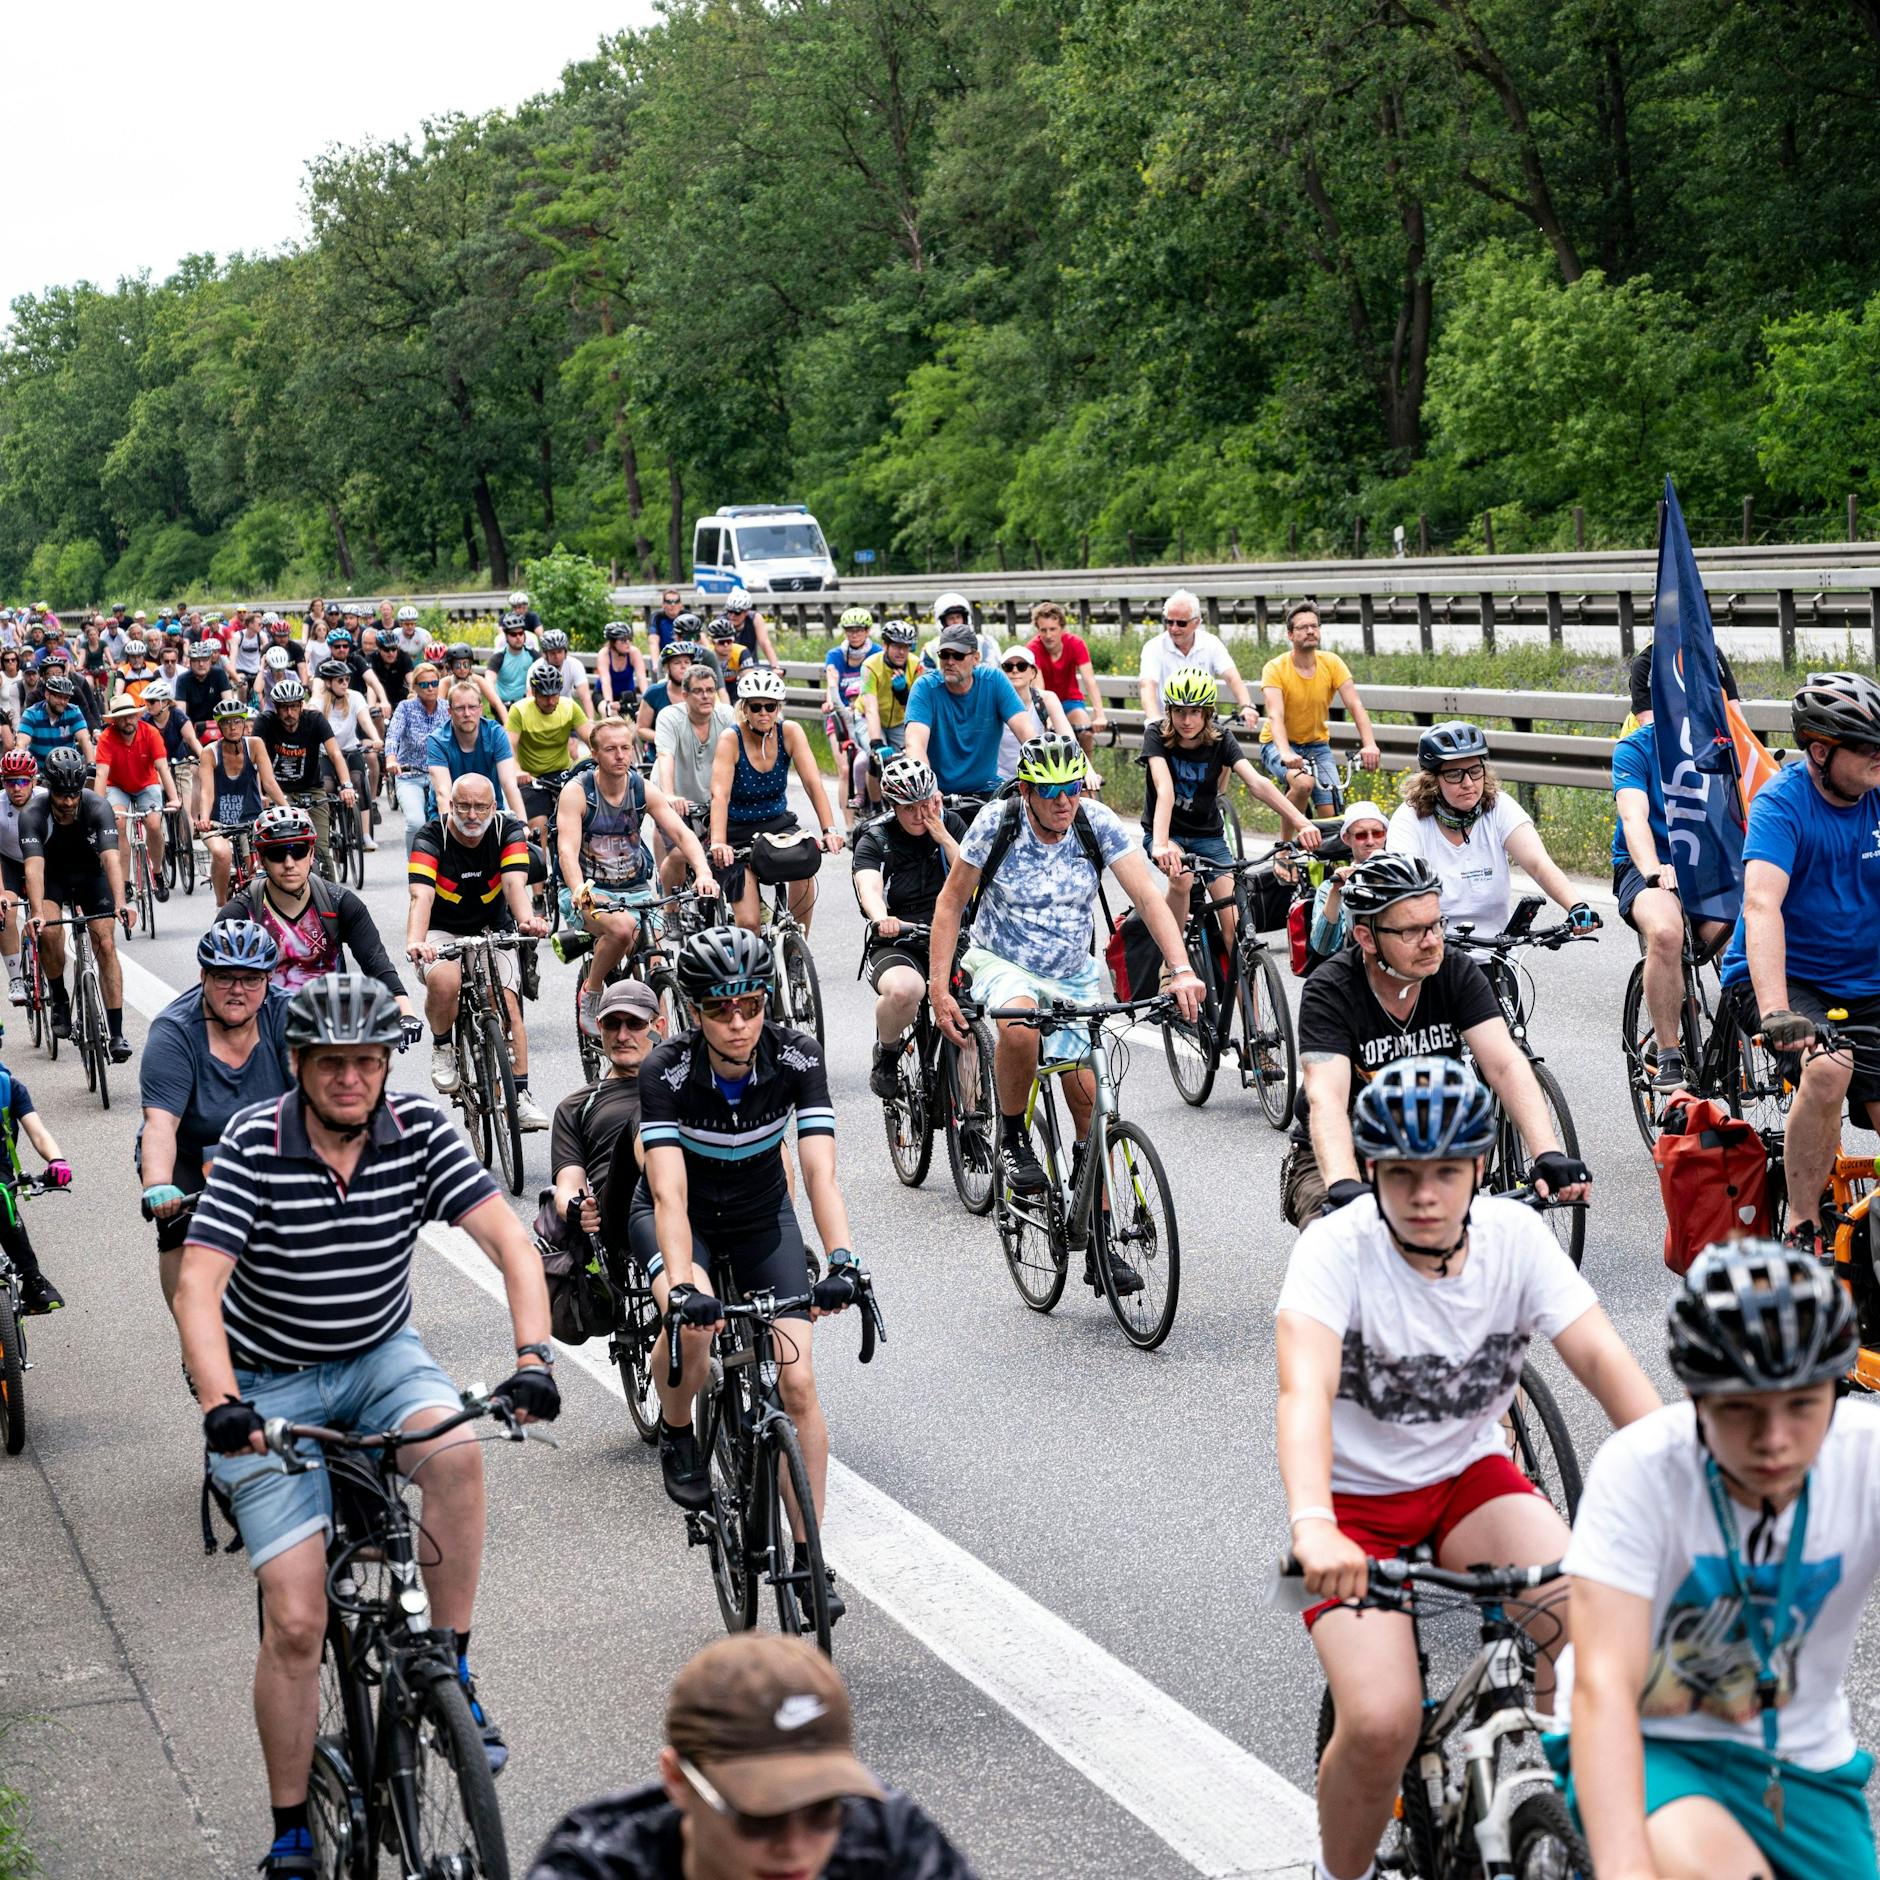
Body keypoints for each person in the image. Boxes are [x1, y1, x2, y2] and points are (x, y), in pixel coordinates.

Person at [174, 974, 559, 1873]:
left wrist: (533, 1359)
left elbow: (508, 1238)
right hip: (269, 1379)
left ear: (388, 1064)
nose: (353, 1079)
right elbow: (199, 1286)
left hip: (380, 1356)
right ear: (299, 1065)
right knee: (300, 1620)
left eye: (369, 1062)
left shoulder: (419, 1130)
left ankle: (449, 1668)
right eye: (333, 1063)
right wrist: (221, 1405)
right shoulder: (253, 1143)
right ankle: (292, 1830)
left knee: (459, 1452)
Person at [1277, 1055, 1659, 1880]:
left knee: (1592, 1637)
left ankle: (1550, 1814)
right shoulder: (1335, 1251)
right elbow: (1301, 1394)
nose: (1424, 1195)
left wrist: (1691, 1484)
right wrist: (1310, 1525)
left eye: (1446, 1173)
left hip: (1467, 1483)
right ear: (1371, 1170)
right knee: (1382, 1721)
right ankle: (1337, 1872)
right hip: (1351, 1511)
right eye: (1403, 1174)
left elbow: (1601, 1361)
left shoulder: (1514, 1238)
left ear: (1480, 1168)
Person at [1560, 1243, 1880, 1880]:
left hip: (1798, 1758)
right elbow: (1604, 1688)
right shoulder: (1640, 1468)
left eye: (1802, 1405)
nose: (1774, 1441)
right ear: (1695, 1395)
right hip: (1651, 1741)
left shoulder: (1866, 1456)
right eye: (1740, 1410)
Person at [630, 928, 862, 1627]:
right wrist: (681, 1286)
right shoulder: (665, 1073)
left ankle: (810, 1555)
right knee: (694, 1334)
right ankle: (677, 1427)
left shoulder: (797, 1056)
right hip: (685, 1220)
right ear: (692, 1011)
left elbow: (819, 1171)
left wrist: (844, 1258)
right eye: (719, 1011)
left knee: (797, 1382)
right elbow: (668, 1193)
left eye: (751, 1007)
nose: (738, 1024)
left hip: (763, 1216)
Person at [926, 735, 1205, 1280]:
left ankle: (1099, 1244)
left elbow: (1148, 898)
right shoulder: (996, 822)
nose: (1063, 800)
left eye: (1072, 787)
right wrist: (940, 988)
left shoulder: (1094, 822)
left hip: (1073, 974)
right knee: (1021, 1025)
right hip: (1002, 960)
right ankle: (1012, 1137)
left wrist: (1182, 967)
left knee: (1090, 1112)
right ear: (1028, 790)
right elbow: (951, 902)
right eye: (1051, 790)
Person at [1280, 852, 1591, 1226]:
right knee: (1337, 1241)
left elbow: (1506, 1066)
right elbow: (1325, 1097)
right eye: (1411, 931)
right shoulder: (1330, 989)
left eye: (1436, 924)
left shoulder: (1454, 970)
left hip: (1433, 1149)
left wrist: (1547, 1154)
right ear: (1366, 937)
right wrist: (1345, 1184)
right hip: (1343, 1149)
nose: (1431, 942)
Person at [525, 1633, 978, 1880]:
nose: (793, 1847)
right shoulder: (595, 1866)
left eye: (824, 1809)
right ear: (678, 1781)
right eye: (758, 1818)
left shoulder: (887, 1839)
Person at [1721, 672, 1880, 1254]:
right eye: (1867, 747)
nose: (1878, 757)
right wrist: (1777, 1010)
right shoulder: (1783, 803)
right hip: (1784, 979)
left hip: (1867, 979)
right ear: (1820, 750)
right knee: (1830, 1064)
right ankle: (1804, 1225)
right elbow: (1762, 904)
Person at [140, 921, 293, 1306]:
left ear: (269, 979)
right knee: (178, 1231)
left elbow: (319, 1099)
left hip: (269, 1145)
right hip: (191, 1151)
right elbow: (160, 1124)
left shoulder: (288, 1015)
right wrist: (158, 1185)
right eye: (224, 977)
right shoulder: (173, 1031)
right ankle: (193, 1345)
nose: (238, 990)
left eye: (251, 979)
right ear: (203, 975)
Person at [407, 774, 551, 1127]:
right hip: (442, 929)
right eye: (464, 806)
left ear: (493, 807)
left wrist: (527, 920)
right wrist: (416, 940)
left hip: (493, 927)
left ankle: (519, 1097)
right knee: (445, 981)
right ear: (451, 806)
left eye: (481, 806)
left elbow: (514, 883)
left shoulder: (508, 830)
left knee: (505, 999)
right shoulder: (430, 836)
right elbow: (421, 895)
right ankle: (443, 1047)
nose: (472, 814)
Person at [557, 717, 716, 1035]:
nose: (620, 755)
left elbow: (682, 835)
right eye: (610, 749)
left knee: (656, 963)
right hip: (589, 890)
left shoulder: (640, 788)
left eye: (625, 748)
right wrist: (580, 890)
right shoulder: (578, 793)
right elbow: (566, 851)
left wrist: (703, 872)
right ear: (595, 753)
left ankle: (664, 1045)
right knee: (622, 929)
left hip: (637, 889)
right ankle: (592, 990)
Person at [1141, 665, 1319, 947]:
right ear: (1169, 712)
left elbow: (1257, 783)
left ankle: (1248, 991)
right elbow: (1165, 790)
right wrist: (1161, 845)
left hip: (1208, 836)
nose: (1187, 720)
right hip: (1167, 834)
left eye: (1195, 712)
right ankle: (1172, 963)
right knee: (1181, 879)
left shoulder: (1221, 737)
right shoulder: (1156, 735)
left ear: (1208, 713)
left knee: (1235, 927)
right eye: (1179, 712)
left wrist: (1302, 822)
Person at [1612, 710, 1735, 1095]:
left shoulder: (1717, 744)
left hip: (1707, 867)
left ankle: (1750, 1036)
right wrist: (1653, 870)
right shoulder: (1635, 748)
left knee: (1739, 935)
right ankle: (1668, 1051)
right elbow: (1633, 817)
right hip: (1647, 865)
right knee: (1666, 931)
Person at [1386, 722, 1596, 937]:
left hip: (1497, 951)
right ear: (1432, 781)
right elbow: (1403, 888)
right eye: (1454, 774)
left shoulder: (1499, 806)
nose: (1468, 783)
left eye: (1475, 771)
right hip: (1436, 949)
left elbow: (1539, 864)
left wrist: (1576, 906)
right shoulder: (1409, 818)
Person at [217, 804, 420, 1027]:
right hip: (264, 1031)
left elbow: (376, 964)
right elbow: (216, 985)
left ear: (312, 852)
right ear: (262, 859)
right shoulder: (239, 914)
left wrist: (405, 1013)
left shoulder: (341, 903)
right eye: (276, 853)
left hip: (332, 1030)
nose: (289, 863)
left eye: (298, 851)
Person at [851, 754, 966, 1099]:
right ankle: (887, 1052)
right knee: (905, 991)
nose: (920, 815)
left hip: (952, 934)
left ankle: (975, 1120)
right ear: (893, 806)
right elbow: (868, 886)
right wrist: (881, 918)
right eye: (908, 808)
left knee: (970, 1018)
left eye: (925, 804)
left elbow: (975, 877)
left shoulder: (951, 825)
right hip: (899, 938)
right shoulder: (876, 838)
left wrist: (944, 836)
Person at [708, 665, 845, 936]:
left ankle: (796, 949)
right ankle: (757, 968)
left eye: (770, 707)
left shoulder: (790, 732)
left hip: (778, 824)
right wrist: (718, 841)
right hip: (737, 831)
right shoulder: (731, 739)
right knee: (748, 923)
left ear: (778, 708)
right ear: (744, 708)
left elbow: (812, 783)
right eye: (756, 707)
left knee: (805, 871)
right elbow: (719, 795)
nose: (763, 713)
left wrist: (829, 830)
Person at [20, 745, 135, 1061]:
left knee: (107, 943)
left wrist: (122, 901)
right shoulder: (33, 813)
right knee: (51, 933)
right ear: (49, 787)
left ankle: (117, 1032)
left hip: (89, 875)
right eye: (61, 794)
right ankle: (59, 996)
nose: (69, 801)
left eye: (74, 794)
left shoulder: (97, 806)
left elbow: (111, 858)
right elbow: (33, 867)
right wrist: (38, 914)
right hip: (52, 877)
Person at [550, 978, 663, 1242]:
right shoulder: (576, 1106)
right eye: (612, 1024)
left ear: (657, 1028)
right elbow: (568, 1186)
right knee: (644, 1115)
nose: (622, 1036)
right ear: (600, 1028)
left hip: (697, 1191)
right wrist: (577, 1208)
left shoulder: (683, 1083)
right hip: (625, 1210)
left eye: (635, 1024)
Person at [1258, 603, 1381, 812]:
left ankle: (1320, 846)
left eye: (1314, 626)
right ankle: (1285, 844)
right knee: (1303, 784)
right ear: (1290, 634)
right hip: (1278, 744)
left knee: (1331, 810)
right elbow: (1275, 716)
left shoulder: (1332, 663)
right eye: (1303, 627)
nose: (1310, 631)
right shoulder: (1275, 668)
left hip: (1316, 746)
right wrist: (1286, 753)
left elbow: (1355, 705)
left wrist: (1370, 744)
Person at [903, 622, 1038, 802]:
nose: (950, 662)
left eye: (958, 655)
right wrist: (928, 789)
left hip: (988, 789)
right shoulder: (925, 687)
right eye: (944, 655)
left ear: (976, 658)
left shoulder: (994, 680)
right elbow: (915, 745)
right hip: (938, 793)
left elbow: (1027, 733)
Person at [0, 1027, 75, 1315]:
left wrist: (57, 1161)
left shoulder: (9, 1087)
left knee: (3, 1202)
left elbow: (38, 1133)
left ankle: (33, 1281)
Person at [253, 679, 356, 879]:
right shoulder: (264, 722)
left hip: (312, 789)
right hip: (278, 791)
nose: (289, 713)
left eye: (293, 707)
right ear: (276, 708)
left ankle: (330, 900)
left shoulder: (315, 720)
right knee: (280, 844)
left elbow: (335, 754)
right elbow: (256, 763)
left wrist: (346, 785)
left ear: (302, 705)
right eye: (284, 708)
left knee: (320, 849)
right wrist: (260, 794)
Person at [654, 664, 736, 887]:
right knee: (681, 854)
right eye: (698, 691)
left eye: (710, 690)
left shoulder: (727, 715)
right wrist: (669, 795)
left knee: (730, 850)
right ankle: (670, 908)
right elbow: (665, 755)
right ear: (685, 695)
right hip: (676, 794)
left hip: (714, 796)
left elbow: (743, 755)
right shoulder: (670, 718)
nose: (706, 696)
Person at [197, 699, 287, 902]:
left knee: (258, 868)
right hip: (217, 822)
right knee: (222, 854)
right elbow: (207, 792)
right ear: (219, 726)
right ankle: (221, 904)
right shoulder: (209, 753)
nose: (232, 727)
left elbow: (269, 783)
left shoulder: (255, 745)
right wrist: (204, 818)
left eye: (237, 721)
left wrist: (288, 809)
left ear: (244, 723)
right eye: (226, 722)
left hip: (251, 819)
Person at [94, 695, 181, 903]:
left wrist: (174, 798)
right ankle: (124, 882)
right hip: (117, 786)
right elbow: (101, 775)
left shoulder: (150, 733)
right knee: (119, 823)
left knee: (153, 823)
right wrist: (96, 808)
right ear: (114, 721)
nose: (128, 721)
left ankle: (158, 873)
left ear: (137, 715)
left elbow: (162, 768)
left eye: (131, 716)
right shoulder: (106, 738)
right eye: (122, 718)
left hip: (146, 784)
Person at [1136, 589, 1257, 726]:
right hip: (1168, 725)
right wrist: (1155, 721)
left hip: (1203, 725)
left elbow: (1232, 677)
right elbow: (1148, 686)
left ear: (1197, 622)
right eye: (1169, 622)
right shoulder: (1153, 647)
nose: (1174, 628)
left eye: (1181, 623)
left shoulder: (1211, 643)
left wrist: (1247, 705)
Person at [508, 659, 591, 851]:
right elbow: (509, 746)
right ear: (534, 693)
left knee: (578, 820)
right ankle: (541, 878)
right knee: (539, 826)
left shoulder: (569, 707)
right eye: (545, 696)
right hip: (531, 777)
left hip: (563, 773)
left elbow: (591, 738)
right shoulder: (519, 710)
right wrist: (517, 770)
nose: (551, 701)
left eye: (555, 695)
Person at [426, 679, 528, 827]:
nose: (467, 713)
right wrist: (448, 831)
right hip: (452, 814)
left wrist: (523, 824)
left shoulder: (496, 734)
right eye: (460, 708)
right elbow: (443, 792)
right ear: (449, 711)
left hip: (490, 813)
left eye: (472, 707)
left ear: (480, 709)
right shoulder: (437, 740)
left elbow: (509, 784)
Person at [1305, 801, 1391, 963]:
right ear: (1346, 838)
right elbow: (1322, 946)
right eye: (1361, 835)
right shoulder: (1329, 887)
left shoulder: (1403, 876)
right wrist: (1336, 890)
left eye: (1377, 833)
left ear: (1386, 834)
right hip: (1355, 964)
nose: (1370, 841)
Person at [1027, 600, 1107, 760]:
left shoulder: (1076, 644)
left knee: (1085, 730)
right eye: (1043, 630)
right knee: (1047, 737)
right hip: (1045, 703)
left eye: (1053, 629)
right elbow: (1039, 688)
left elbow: (1089, 681)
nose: (1048, 635)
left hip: (1070, 701)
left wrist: (1100, 714)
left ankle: (1087, 773)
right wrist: (1047, 718)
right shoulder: (1033, 649)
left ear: (1062, 628)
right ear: (1038, 630)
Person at [385, 661, 446, 849]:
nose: (430, 688)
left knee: (450, 821)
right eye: (424, 684)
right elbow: (393, 735)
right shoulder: (405, 708)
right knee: (416, 822)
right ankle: (416, 869)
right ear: (415, 687)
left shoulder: (447, 707)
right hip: (410, 775)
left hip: (441, 776)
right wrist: (391, 759)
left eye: (434, 683)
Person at [824, 608, 880, 811]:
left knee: (878, 762)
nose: (854, 634)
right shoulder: (835, 655)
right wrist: (830, 701)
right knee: (845, 770)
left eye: (858, 630)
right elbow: (832, 681)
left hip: (869, 715)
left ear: (867, 631)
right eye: (849, 630)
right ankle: (847, 828)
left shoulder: (877, 653)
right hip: (843, 714)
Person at [0, 752, 42, 1004]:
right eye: (9, 781)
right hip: (9, 863)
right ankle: (15, 977)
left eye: (23, 781)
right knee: (7, 912)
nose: (17, 788)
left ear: (34, 781)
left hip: (40, 860)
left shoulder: (46, 799)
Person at [858, 617, 919, 784]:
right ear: (885, 646)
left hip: (899, 721)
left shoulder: (916, 666)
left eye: (906, 647)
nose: (902, 652)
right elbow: (871, 709)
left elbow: (917, 707)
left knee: (910, 762)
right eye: (897, 646)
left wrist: (903, 694)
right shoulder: (870, 666)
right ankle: (876, 806)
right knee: (877, 760)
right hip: (867, 717)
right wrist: (876, 742)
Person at [19, 671, 95, 768]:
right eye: (59, 697)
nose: (63, 702)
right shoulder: (31, 713)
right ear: (47, 694)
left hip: (69, 771)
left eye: (66, 698)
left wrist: (91, 765)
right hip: (40, 772)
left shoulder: (74, 711)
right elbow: (21, 743)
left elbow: (84, 739)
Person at [637, 638, 699, 736]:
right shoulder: (654, 693)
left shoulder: (701, 691)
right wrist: (665, 739)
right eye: (677, 663)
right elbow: (641, 729)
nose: (683, 666)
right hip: (660, 748)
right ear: (666, 668)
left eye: (687, 662)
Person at [486, 612, 541, 710]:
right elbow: (489, 681)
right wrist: (498, 704)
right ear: (506, 636)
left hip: (527, 705)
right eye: (513, 634)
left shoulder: (533, 654)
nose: (518, 637)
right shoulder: (498, 657)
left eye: (521, 633)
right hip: (504, 706)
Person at [600, 620, 652, 721]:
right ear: (613, 643)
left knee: (634, 721)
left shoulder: (634, 652)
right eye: (623, 640)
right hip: (604, 694)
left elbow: (641, 678)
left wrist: (647, 698)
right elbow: (605, 680)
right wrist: (609, 703)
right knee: (609, 714)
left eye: (629, 639)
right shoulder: (604, 654)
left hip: (627, 694)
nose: (628, 643)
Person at [538, 629, 595, 719]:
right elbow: (531, 698)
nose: (557, 656)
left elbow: (585, 697)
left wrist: (591, 720)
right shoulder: (536, 668)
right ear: (545, 654)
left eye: (560, 651)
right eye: (552, 653)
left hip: (567, 710)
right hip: (543, 711)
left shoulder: (575, 665)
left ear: (565, 652)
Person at [722, 589, 779, 669]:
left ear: (747, 611)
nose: (732, 616)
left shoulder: (755, 618)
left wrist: (775, 666)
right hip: (728, 668)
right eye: (729, 611)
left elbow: (765, 642)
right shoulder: (721, 621)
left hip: (750, 666)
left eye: (737, 612)